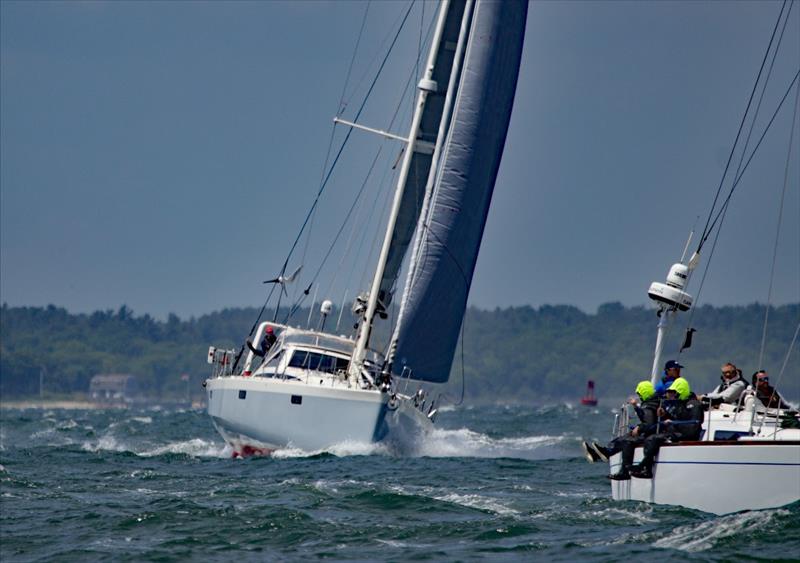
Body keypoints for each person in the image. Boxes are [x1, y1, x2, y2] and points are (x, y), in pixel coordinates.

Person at [629, 377, 704, 479]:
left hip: (687, 435)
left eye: (674, 392)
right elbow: (678, 417)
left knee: (653, 439)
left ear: (680, 391)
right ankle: (645, 468)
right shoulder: (681, 403)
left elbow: (694, 424)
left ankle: (643, 467)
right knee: (650, 438)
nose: (672, 395)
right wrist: (664, 415)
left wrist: (673, 422)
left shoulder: (694, 404)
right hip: (678, 432)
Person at [581, 381, 659, 465]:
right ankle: (599, 454)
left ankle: (603, 454)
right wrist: (636, 408)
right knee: (619, 439)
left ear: (643, 393)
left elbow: (649, 423)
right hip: (647, 433)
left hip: (649, 435)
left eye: (639, 394)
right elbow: (647, 420)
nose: (639, 397)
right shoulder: (652, 403)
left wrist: (639, 428)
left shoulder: (649, 405)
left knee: (624, 440)